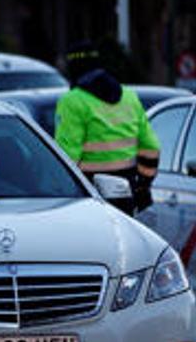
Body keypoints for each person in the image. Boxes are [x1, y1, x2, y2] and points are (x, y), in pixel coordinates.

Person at [54, 43, 160, 214]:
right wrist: (142, 186)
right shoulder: (129, 97)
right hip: (126, 194)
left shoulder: (71, 101)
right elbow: (151, 147)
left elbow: (66, 156)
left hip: (90, 197)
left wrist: (58, 191)